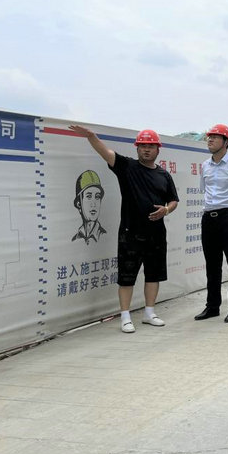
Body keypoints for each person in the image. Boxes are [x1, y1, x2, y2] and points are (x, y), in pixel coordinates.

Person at [69, 125, 179, 333]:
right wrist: (91, 137)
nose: (146, 149)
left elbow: (173, 200)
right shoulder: (127, 167)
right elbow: (105, 153)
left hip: (156, 234)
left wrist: (166, 210)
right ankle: (125, 316)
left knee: (153, 275)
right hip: (130, 233)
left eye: (151, 146)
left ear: (158, 149)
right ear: (137, 148)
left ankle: (149, 313)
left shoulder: (164, 175)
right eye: (142, 146)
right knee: (127, 277)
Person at [193, 124, 228, 323]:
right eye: (209, 137)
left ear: (226, 142)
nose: (210, 140)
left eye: (215, 137)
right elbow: (205, 190)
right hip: (209, 217)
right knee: (212, 264)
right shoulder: (205, 165)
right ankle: (212, 306)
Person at [71, 170, 107, 245]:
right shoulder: (75, 239)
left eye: (97, 197)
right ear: (79, 204)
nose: (93, 204)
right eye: (89, 196)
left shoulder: (105, 236)